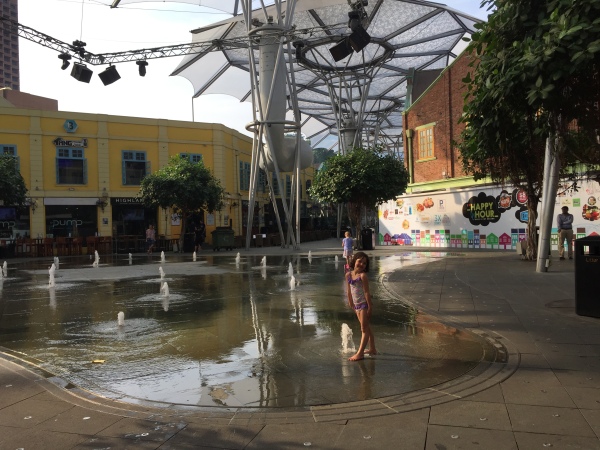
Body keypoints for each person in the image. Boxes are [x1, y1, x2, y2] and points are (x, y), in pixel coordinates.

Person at [346, 252, 377, 361]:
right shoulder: (348, 275)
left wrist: (369, 307)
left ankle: (360, 353)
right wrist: (350, 302)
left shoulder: (362, 276)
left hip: (363, 305)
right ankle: (372, 348)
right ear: (354, 261)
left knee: (363, 329)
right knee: (366, 327)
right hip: (356, 305)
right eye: (360, 261)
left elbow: (366, 292)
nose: (362, 264)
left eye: (364, 263)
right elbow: (349, 291)